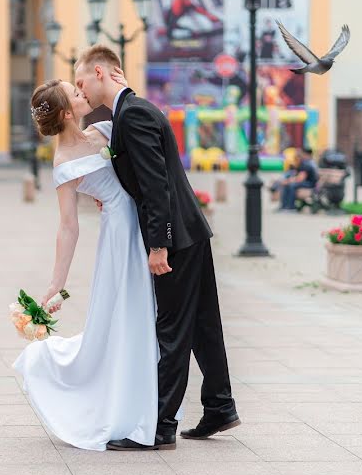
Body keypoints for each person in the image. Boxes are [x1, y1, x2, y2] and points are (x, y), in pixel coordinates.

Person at [75, 45, 240, 450]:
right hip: (190, 232)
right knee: (202, 324)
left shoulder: (133, 115)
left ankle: (159, 425)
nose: (81, 90)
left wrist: (158, 246)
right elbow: (145, 178)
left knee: (171, 328)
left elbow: (157, 187)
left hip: (177, 240)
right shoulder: (134, 112)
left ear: (101, 72)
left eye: (82, 82)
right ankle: (220, 407)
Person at [12, 70, 180, 451]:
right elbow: (68, 227)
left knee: (142, 316)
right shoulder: (64, 164)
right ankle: (127, 407)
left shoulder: (104, 131)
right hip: (120, 237)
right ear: (68, 113)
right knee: (128, 315)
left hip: (140, 222)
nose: (83, 92)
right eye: (75, 92)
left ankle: (150, 405)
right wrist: (56, 284)